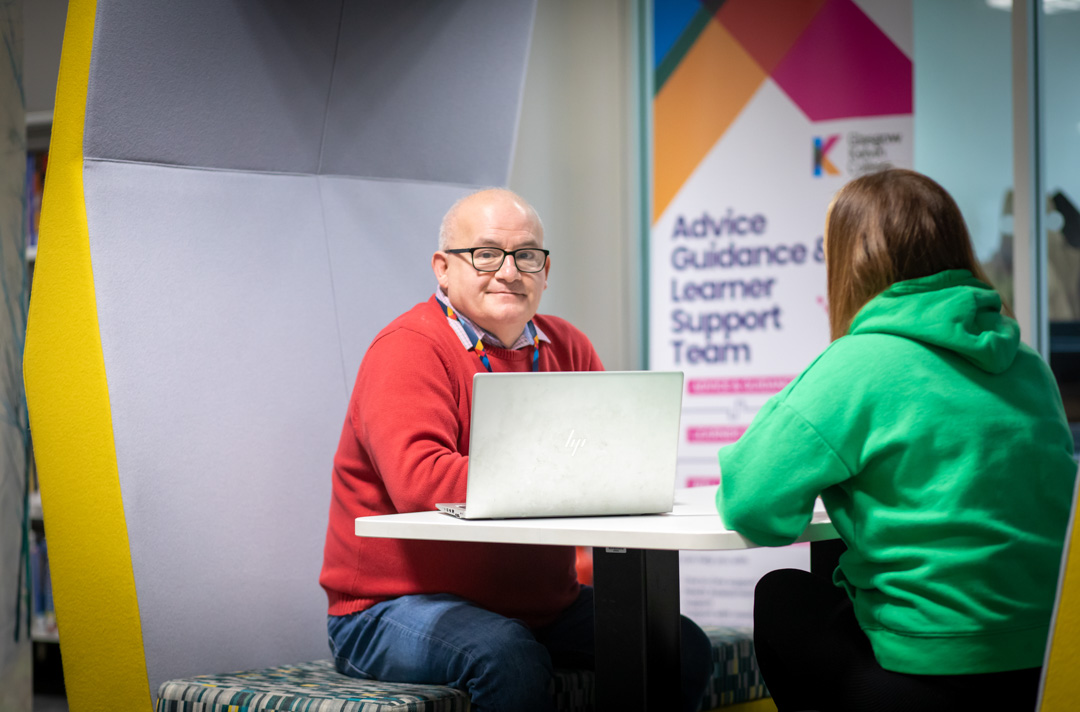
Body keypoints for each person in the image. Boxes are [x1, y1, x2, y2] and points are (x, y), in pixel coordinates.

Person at [320, 188, 712, 712]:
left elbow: (616, 465)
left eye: (527, 255)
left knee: (676, 643)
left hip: (540, 605)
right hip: (389, 608)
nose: (508, 271)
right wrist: (568, 475)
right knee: (505, 655)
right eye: (485, 254)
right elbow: (422, 480)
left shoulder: (566, 346)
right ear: (442, 268)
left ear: (545, 272)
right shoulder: (409, 348)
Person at [715, 169, 1077, 712]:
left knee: (782, 596)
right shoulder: (1027, 364)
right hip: (1047, 670)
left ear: (849, 261)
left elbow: (751, 505)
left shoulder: (859, 364)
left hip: (928, 678)